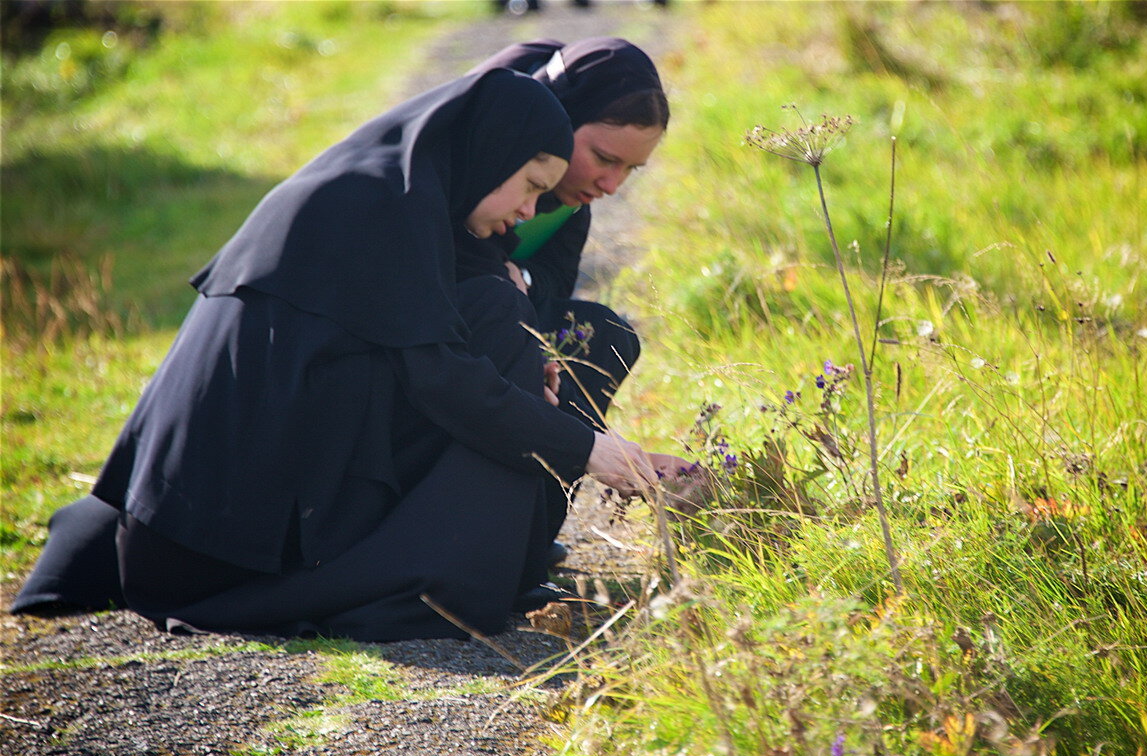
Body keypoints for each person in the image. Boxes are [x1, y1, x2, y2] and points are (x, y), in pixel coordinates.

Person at [11, 69, 661, 641]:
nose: (527, 211)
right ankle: (455, 568)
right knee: (497, 332)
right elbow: (447, 382)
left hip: (216, 516)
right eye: (526, 186)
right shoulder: (376, 205)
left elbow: (464, 333)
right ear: (488, 153)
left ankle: (489, 555)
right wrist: (590, 449)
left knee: (506, 321)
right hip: (210, 544)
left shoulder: (405, 192)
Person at [456, 37, 672, 560]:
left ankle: (530, 535)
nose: (612, 184)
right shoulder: (474, 155)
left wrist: (520, 280)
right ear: (556, 119)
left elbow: (552, 291)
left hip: (496, 329)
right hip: (437, 351)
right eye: (603, 158)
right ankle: (467, 538)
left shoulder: (571, 209)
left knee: (601, 336)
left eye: (629, 171)